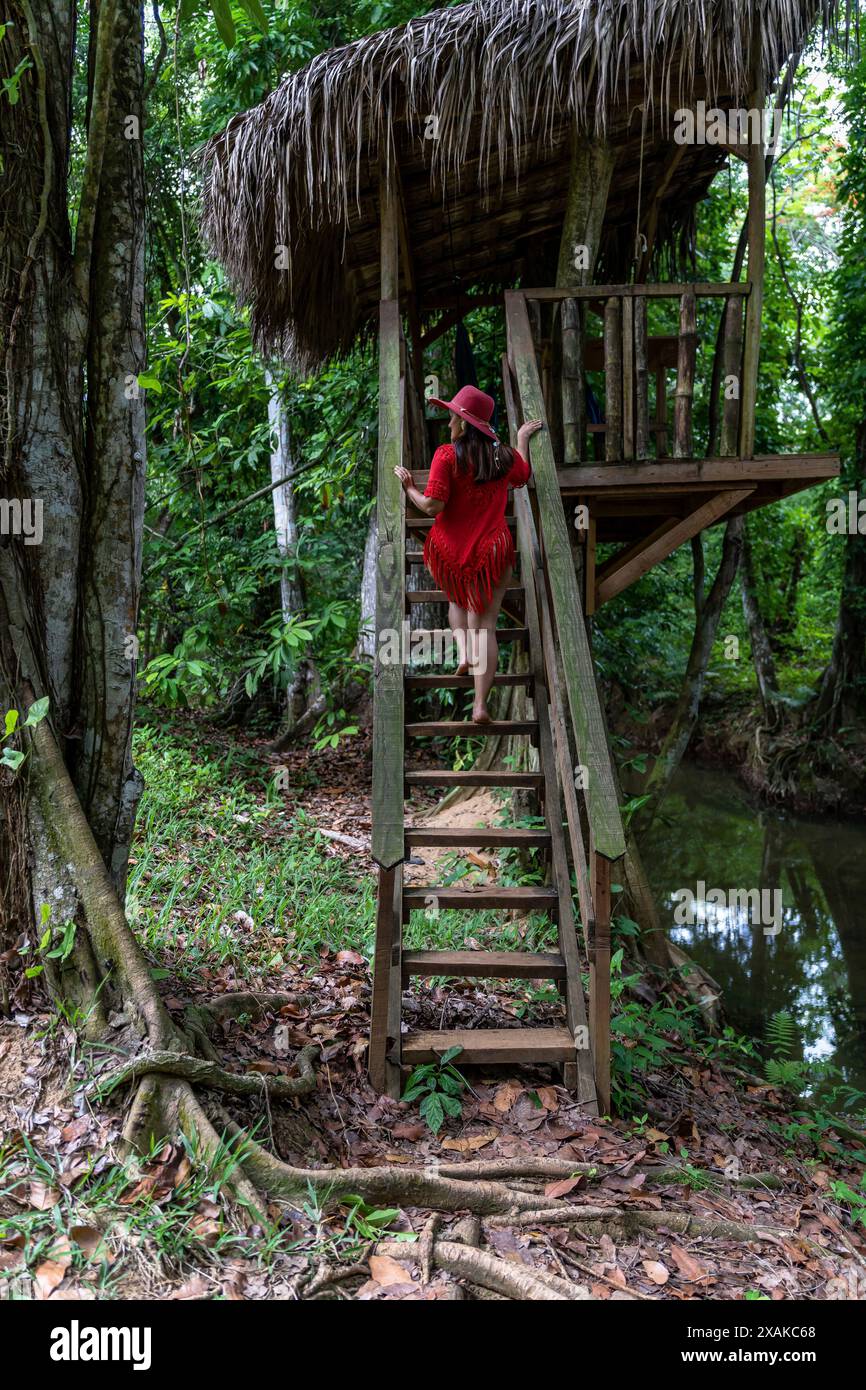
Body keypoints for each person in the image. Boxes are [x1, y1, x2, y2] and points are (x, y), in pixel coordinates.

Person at [395, 385, 542, 723]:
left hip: (451, 551)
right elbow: (523, 475)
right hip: (493, 551)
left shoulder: (446, 455)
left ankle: (463, 653)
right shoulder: (502, 456)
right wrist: (521, 438)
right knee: (485, 626)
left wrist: (409, 489)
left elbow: (433, 506)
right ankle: (479, 705)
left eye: (452, 418)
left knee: (456, 603)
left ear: (463, 424)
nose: (449, 425)